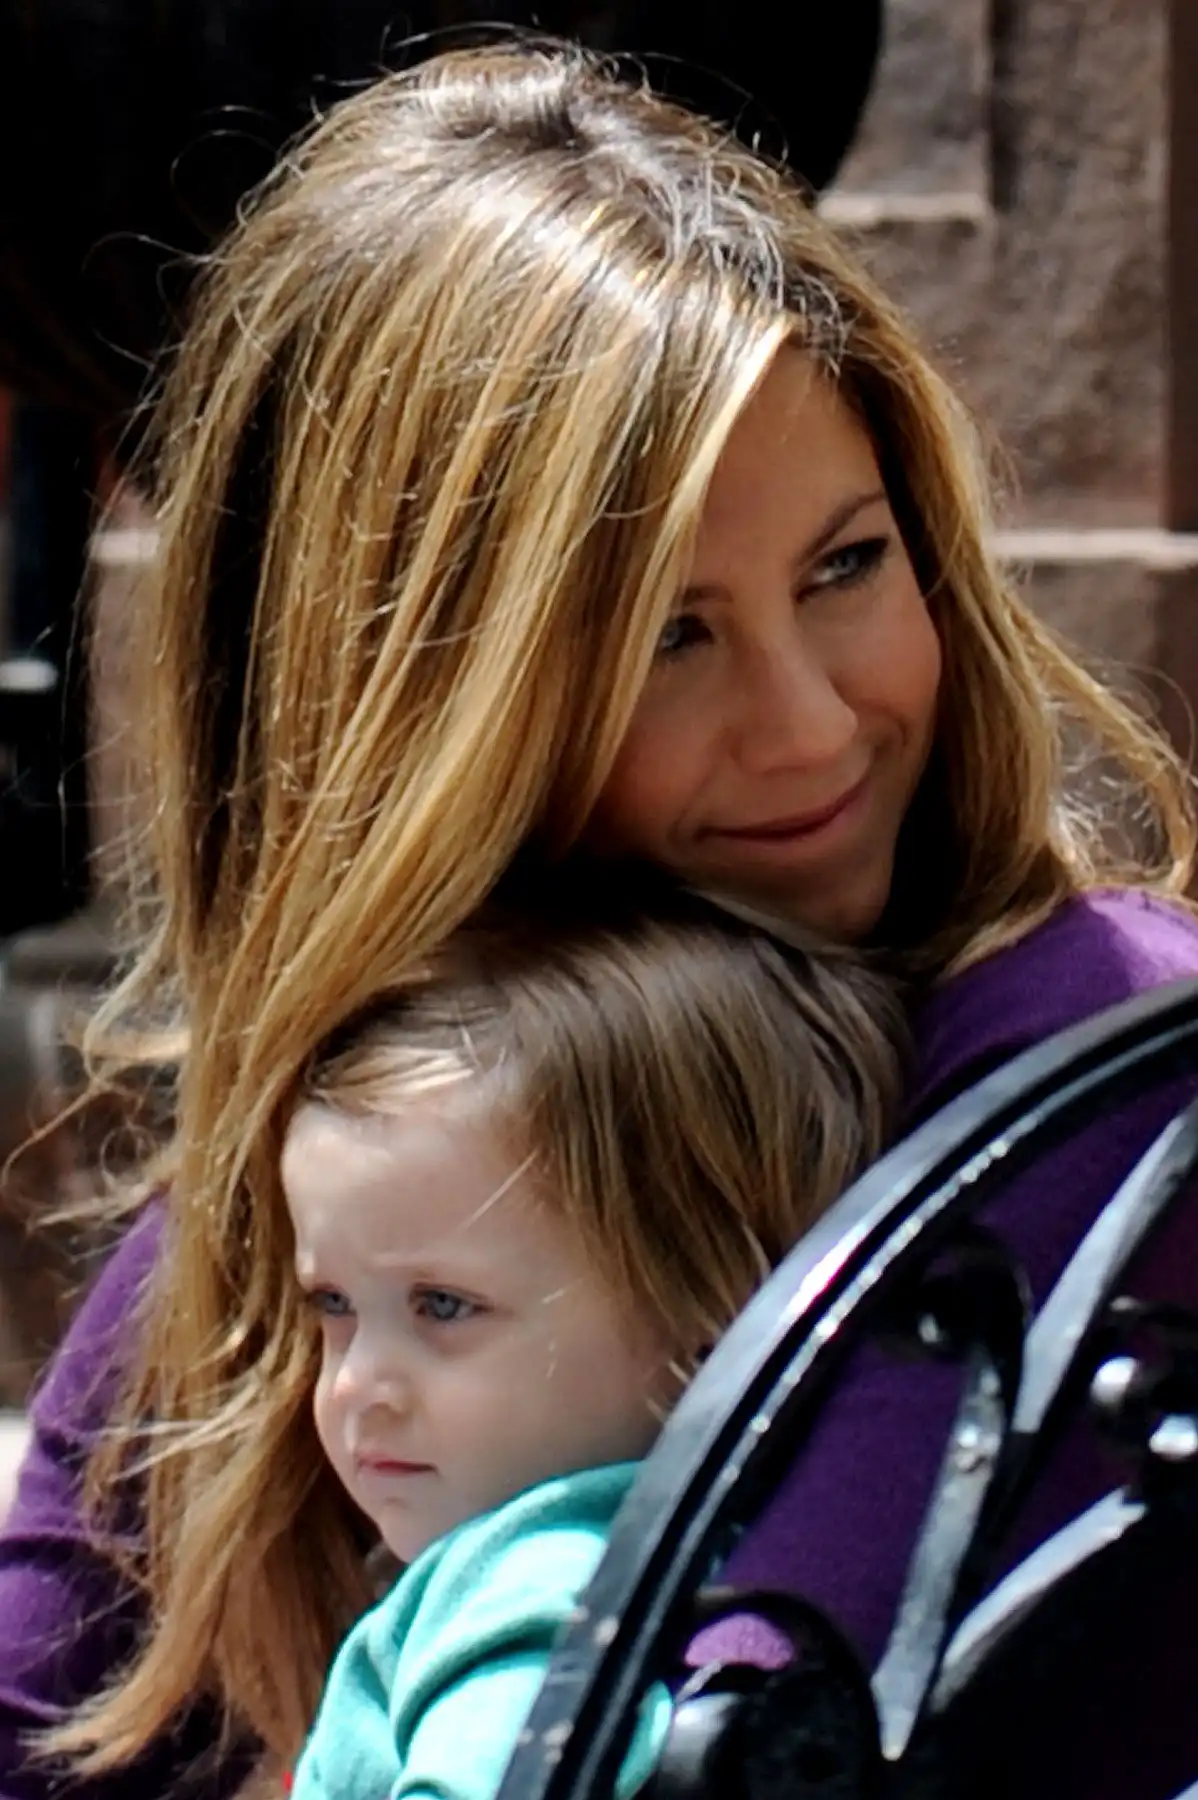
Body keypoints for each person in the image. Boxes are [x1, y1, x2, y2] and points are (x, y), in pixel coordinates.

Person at [1, 37, 1197, 1800]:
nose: (809, 725)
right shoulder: (349, 1169)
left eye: (845, 565)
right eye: (665, 636)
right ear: (409, 705)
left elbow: (741, 1739)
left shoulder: (1095, 1073)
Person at [278, 893, 905, 1799]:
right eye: (334, 1305)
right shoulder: (637, 1554)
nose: (358, 1385)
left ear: (710, 1314)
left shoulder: (539, 1584)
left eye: (443, 1306)